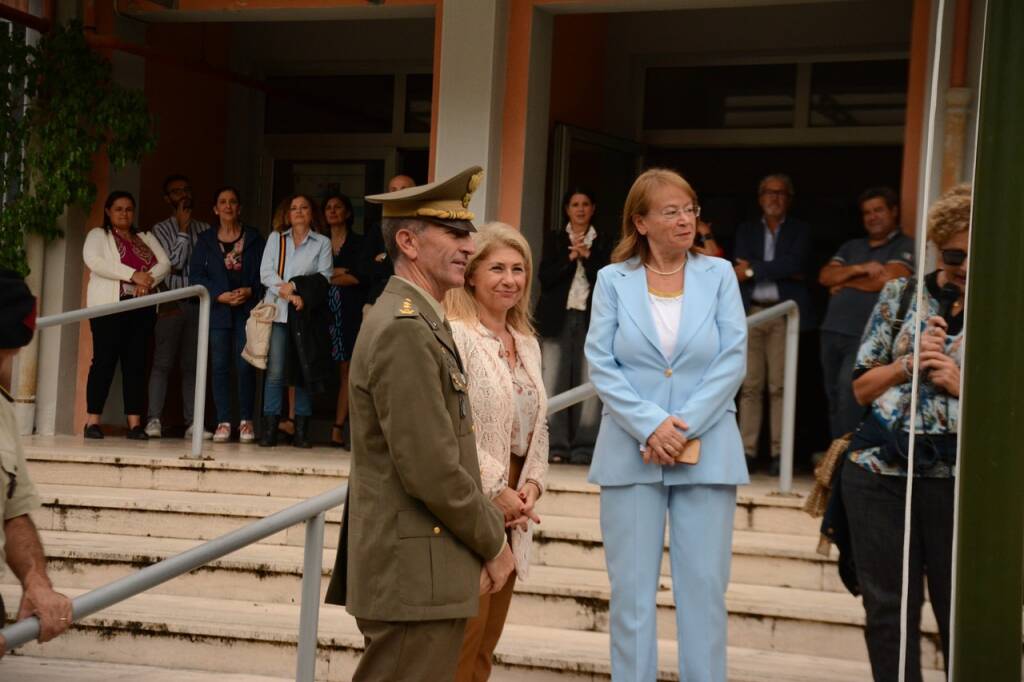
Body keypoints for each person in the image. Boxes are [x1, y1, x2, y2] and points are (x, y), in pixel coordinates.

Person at [324, 167, 513, 682]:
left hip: (421, 567)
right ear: (407, 241)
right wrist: (493, 542)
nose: (470, 245)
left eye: (468, 232)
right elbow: (431, 467)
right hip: (413, 573)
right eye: (454, 233)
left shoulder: (419, 318)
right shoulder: (405, 328)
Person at [584, 168, 748, 682]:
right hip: (630, 452)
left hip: (709, 448)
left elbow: (732, 357)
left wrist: (682, 426)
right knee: (631, 595)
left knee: (703, 592)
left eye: (690, 209)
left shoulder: (718, 274)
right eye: (670, 211)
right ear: (641, 221)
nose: (685, 220)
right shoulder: (613, 280)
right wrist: (652, 426)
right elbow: (601, 362)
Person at [842, 185, 970, 682]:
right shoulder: (901, 295)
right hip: (878, 473)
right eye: (954, 254)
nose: (961, 266)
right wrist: (908, 364)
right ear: (938, 247)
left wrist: (960, 385)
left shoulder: (1005, 307)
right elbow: (860, 388)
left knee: (958, 608)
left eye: (972, 256)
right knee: (888, 611)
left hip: (955, 479)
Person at [445, 223, 549, 681]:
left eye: (519, 269)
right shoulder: (455, 335)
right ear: (470, 275)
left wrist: (532, 483)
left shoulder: (526, 342)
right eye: (498, 268)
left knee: (488, 642)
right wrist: (496, 487)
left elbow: (538, 423)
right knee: (463, 637)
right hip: (471, 494)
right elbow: (452, 425)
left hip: (515, 504)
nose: (510, 279)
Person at [0, 270, 73, 656]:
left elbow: (13, 513)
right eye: (6, 353)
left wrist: (36, 579)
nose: (8, 365)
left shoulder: (3, 409)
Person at [818, 187, 914, 439]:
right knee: (833, 397)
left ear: (894, 212)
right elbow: (825, 276)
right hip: (832, 330)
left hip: (864, 335)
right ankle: (834, 459)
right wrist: (860, 268)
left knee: (851, 397)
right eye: (867, 212)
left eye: (879, 210)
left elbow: (888, 280)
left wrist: (846, 281)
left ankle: (851, 459)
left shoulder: (906, 245)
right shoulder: (852, 246)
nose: (872, 217)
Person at [732, 173, 812, 474]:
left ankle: (781, 454)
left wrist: (754, 270)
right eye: (768, 192)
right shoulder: (746, 229)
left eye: (780, 193)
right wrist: (772, 271)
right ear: (759, 198)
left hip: (783, 313)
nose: (774, 198)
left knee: (779, 385)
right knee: (750, 384)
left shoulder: (801, 230)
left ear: (789, 199)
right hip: (752, 312)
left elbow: (796, 263)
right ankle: (746, 451)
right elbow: (740, 269)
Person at [82, 191, 170, 440]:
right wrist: (133, 275)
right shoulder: (98, 235)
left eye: (129, 209)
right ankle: (92, 422)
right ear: (108, 211)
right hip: (109, 307)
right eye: (118, 209)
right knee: (103, 363)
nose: (124, 213)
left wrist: (147, 281)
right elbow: (94, 260)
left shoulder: (145, 236)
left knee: (136, 365)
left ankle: (134, 424)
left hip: (141, 308)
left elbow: (164, 263)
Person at [535, 188, 612, 465]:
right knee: (552, 379)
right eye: (575, 204)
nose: (580, 209)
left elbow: (606, 277)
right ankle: (555, 445)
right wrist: (570, 258)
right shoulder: (556, 238)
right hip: (558, 317)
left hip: (592, 318)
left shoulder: (603, 240)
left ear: (593, 208)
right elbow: (545, 276)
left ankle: (585, 447)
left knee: (588, 381)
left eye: (585, 204)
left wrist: (587, 256)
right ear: (567, 209)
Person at [189, 187, 265, 444]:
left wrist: (250, 289)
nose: (228, 206)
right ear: (215, 209)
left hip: (246, 310)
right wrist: (218, 294)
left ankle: (246, 421)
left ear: (239, 208)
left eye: (233, 202)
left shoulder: (254, 238)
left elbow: (264, 274)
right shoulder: (206, 240)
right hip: (219, 311)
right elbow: (196, 276)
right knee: (220, 366)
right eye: (223, 202)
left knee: (245, 366)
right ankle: (223, 421)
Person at [258, 194, 333, 449]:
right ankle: (269, 429)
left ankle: (302, 432)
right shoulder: (275, 239)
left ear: (312, 213)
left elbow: (324, 278)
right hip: (279, 312)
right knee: (276, 372)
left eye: (304, 207)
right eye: (294, 208)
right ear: (286, 214)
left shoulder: (322, 242)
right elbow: (266, 273)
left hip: (305, 315)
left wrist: (298, 292)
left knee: (304, 370)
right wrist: (288, 293)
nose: (299, 211)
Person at [145, 174, 212, 440]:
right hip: (170, 303)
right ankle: (154, 419)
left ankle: (193, 422)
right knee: (162, 363)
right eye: (176, 192)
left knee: (192, 366)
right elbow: (174, 265)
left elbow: (204, 268)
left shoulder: (206, 228)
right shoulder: (159, 230)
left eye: (186, 190)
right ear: (167, 199)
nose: (183, 195)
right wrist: (183, 230)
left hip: (197, 304)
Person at [323, 192, 366, 448]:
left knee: (347, 372)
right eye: (328, 206)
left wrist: (328, 275)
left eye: (338, 206)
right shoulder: (317, 242)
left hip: (349, 314)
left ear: (348, 213)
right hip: (321, 314)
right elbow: (312, 276)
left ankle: (338, 427)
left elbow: (359, 277)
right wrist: (338, 273)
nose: (333, 210)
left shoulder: (359, 243)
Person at [357, 174, 416, 310]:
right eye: (393, 190)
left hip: (412, 301)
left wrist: (384, 257)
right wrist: (389, 263)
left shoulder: (423, 226)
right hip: (379, 300)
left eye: (403, 189)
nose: (398, 194)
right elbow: (363, 268)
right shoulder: (378, 228)